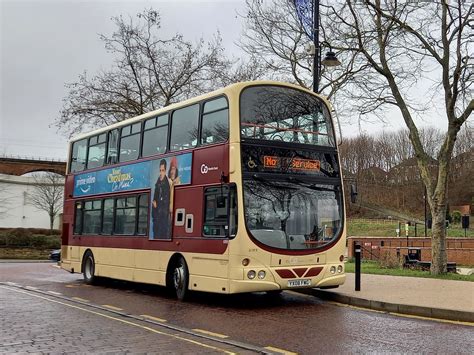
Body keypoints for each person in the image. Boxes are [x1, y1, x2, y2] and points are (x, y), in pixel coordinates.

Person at [152, 159, 171, 239]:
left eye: (163, 170)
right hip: (157, 218)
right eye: (160, 170)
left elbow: (166, 201)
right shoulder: (157, 183)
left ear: (165, 171)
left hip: (163, 218)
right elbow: (154, 199)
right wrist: (154, 203)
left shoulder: (167, 184)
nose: (161, 173)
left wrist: (158, 203)